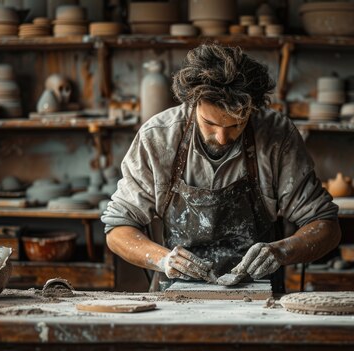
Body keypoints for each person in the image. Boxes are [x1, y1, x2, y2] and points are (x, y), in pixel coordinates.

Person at [102, 44, 340, 291]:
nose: (223, 137)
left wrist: (280, 251)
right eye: (210, 123)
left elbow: (326, 226)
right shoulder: (158, 138)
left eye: (236, 124)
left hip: (258, 294)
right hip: (177, 293)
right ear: (192, 104)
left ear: (253, 109)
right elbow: (118, 229)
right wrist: (162, 259)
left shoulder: (276, 136)